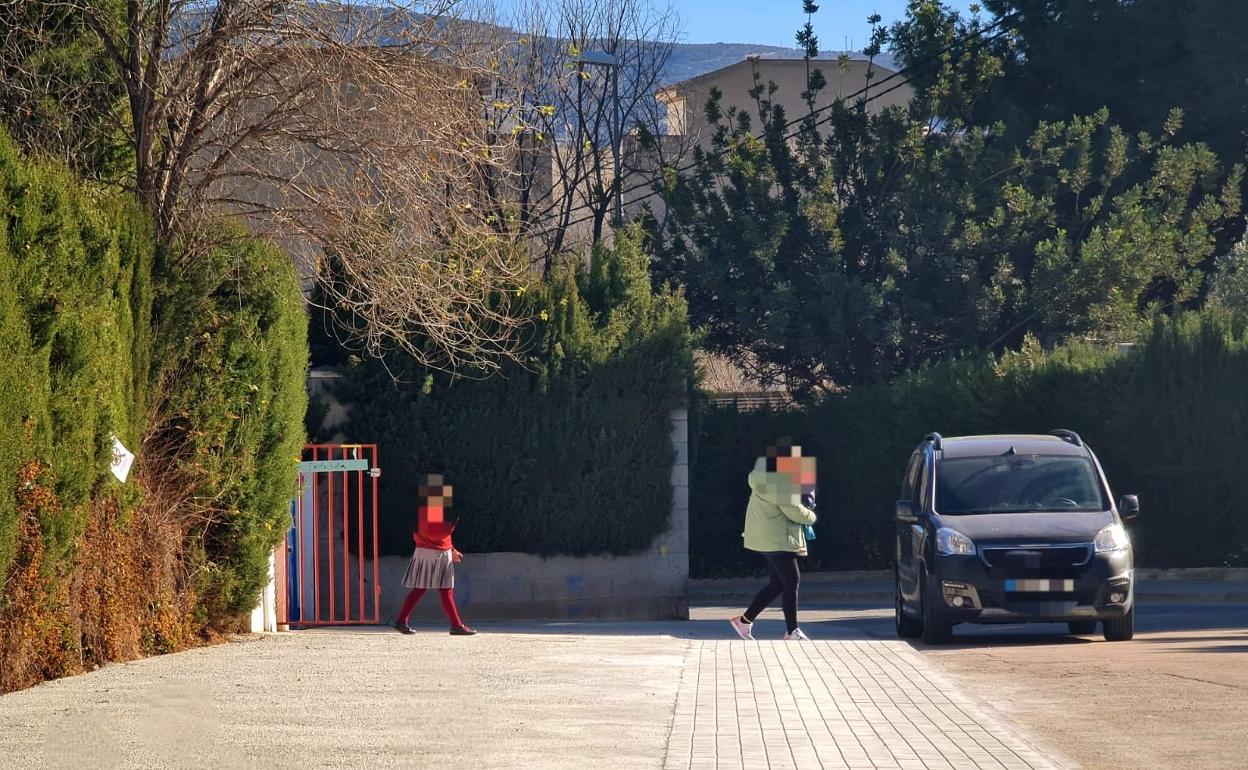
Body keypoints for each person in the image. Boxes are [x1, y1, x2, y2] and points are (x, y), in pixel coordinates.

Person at [729, 440, 817, 641]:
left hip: (767, 539)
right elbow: (795, 511)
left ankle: (744, 621)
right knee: (792, 581)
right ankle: (792, 630)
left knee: (778, 584)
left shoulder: (763, 479)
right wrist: (812, 515)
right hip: (778, 540)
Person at [393, 474, 476, 635]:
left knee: (420, 588)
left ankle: (402, 621)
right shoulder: (441, 510)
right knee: (445, 590)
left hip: (423, 551)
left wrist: (451, 550)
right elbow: (441, 535)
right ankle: (456, 626)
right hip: (438, 553)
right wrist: (451, 549)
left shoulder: (419, 510)